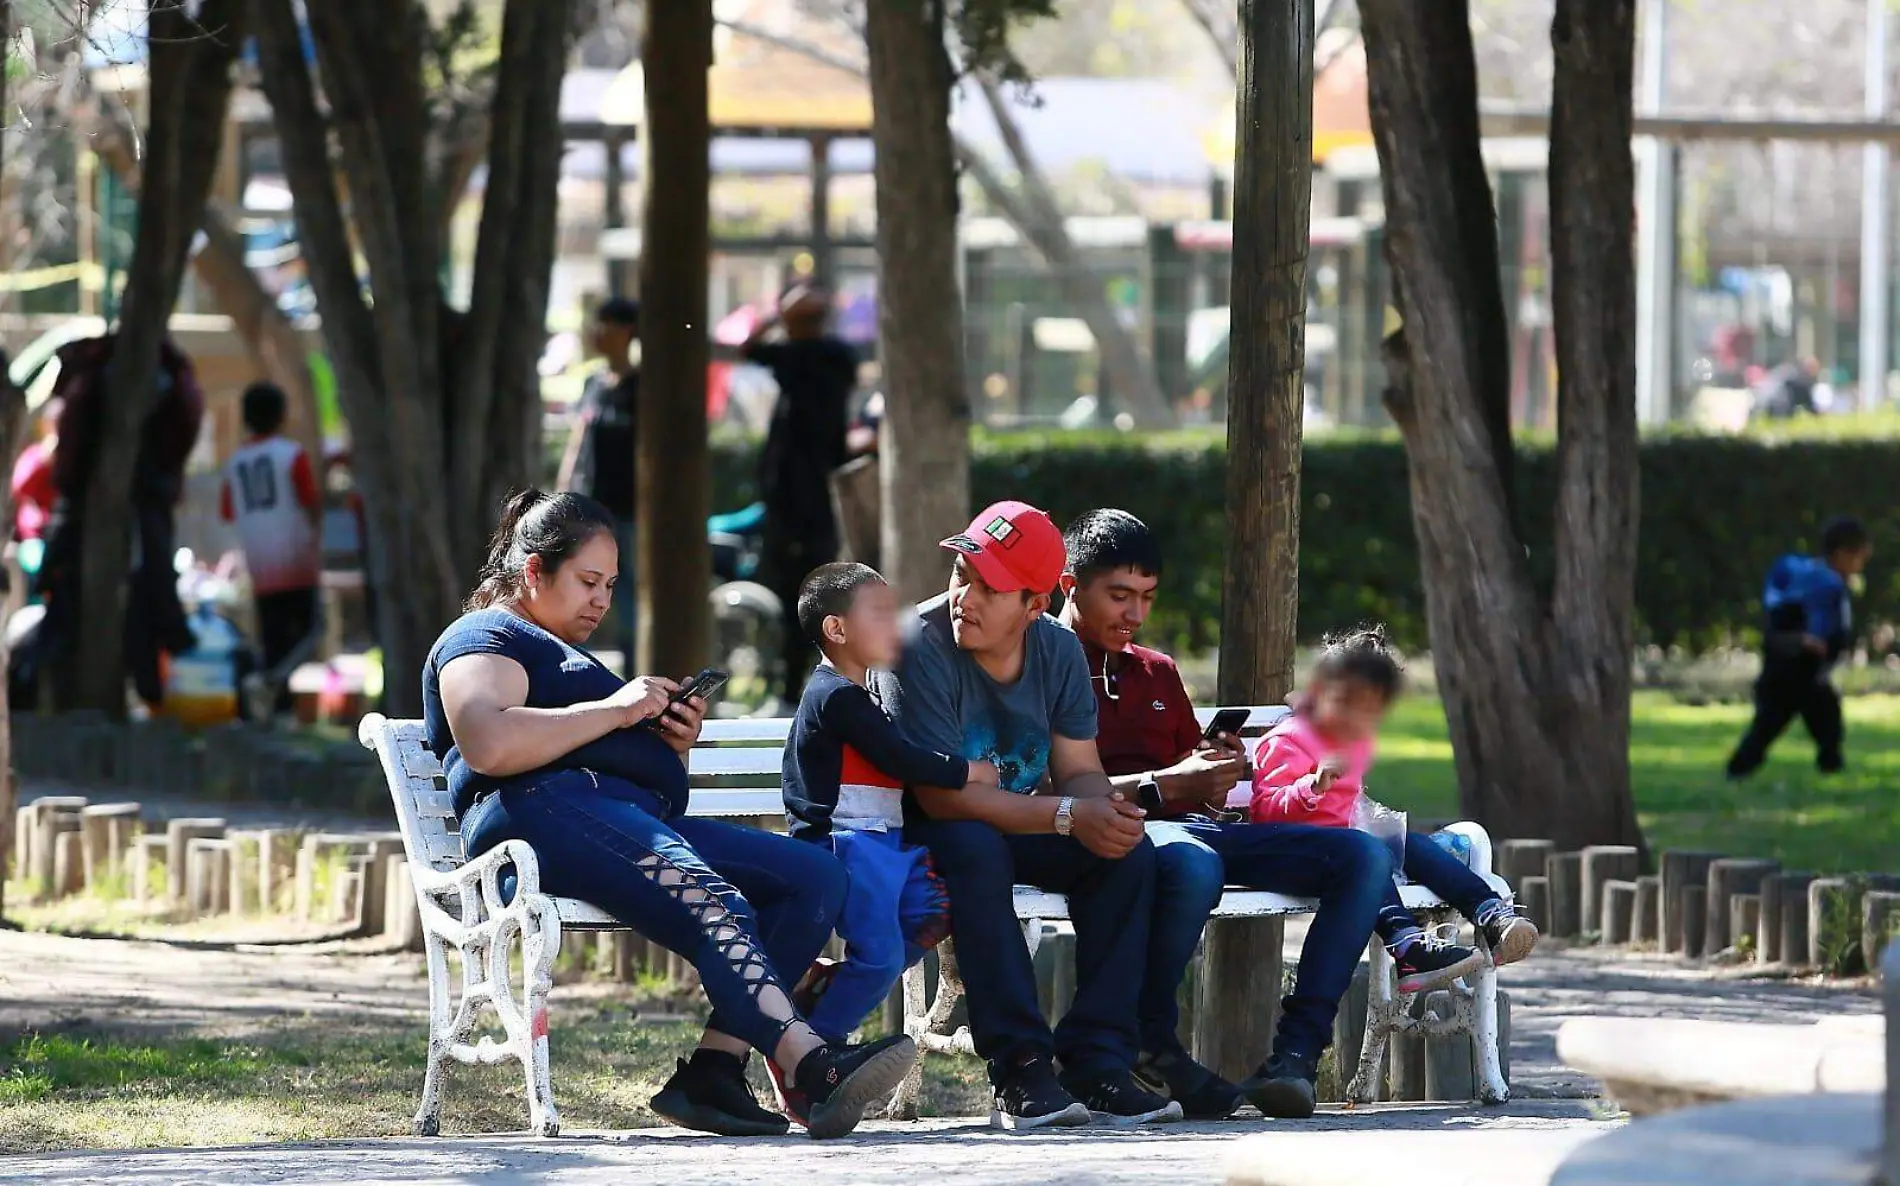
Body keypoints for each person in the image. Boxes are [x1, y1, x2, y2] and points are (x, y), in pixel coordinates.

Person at [425, 489, 916, 1140]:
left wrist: (668, 742)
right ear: (534, 572)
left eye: (610, 585)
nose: (601, 600)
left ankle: (712, 1073)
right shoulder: (486, 636)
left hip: (610, 817)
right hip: (541, 816)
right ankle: (811, 1065)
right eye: (588, 581)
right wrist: (619, 710)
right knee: (713, 898)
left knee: (813, 878)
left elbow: (633, 777)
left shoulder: (565, 652)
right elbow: (489, 742)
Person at [1056, 508, 1399, 1120]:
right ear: (1069, 584)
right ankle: (1150, 1040)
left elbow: (1197, 787)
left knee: (1363, 855)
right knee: (1192, 866)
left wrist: (1217, 773)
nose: (1135, 614)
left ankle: (1295, 1057)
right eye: (1119, 596)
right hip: (1111, 832)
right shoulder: (1046, 663)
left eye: (1147, 598)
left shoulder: (1156, 670)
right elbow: (1058, 784)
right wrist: (1168, 785)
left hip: (1200, 828)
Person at [879, 500, 1182, 1131]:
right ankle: (1020, 1068)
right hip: (923, 828)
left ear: (1034, 605)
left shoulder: (1059, 652)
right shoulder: (917, 643)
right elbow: (941, 798)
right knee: (974, 846)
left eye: (991, 587)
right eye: (963, 574)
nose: (966, 595)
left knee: (1128, 854)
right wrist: (1072, 815)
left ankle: (1098, 1062)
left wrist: (1105, 813)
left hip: (1020, 819)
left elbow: (1079, 770)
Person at [780, 563, 986, 1084]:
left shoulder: (862, 692)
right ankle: (812, 1053)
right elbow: (899, 757)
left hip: (889, 842)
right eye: (879, 613)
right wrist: (968, 772)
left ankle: (832, 987)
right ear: (837, 629)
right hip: (848, 844)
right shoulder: (835, 696)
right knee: (881, 955)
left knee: (932, 915)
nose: (896, 624)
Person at [1250, 627, 1538, 993]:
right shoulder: (1286, 739)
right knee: (1367, 857)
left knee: (1413, 846)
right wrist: (1312, 786)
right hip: (1303, 853)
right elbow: (1263, 813)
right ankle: (1407, 946)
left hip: (1350, 842)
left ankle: (1493, 916)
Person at [744, 284, 857, 702]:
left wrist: (777, 314)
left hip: (804, 502)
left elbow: (749, 347)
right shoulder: (834, 357)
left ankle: (796, 678)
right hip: (803, 502)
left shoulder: (806, 358)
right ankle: (796, 677)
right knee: (809, 589)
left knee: (803, 589)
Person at [1726, 516, 1874, 778]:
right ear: (1842, 554)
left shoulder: (1823, 582)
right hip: (1790, 671)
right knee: (1769, 726)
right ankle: (1738, 770)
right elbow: (1780, 628)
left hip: (1809, 673)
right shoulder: (1816, 582)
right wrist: (1802, 641)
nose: (1860, 566)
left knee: (1828, 723)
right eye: (1859, 558)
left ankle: (1831, 768)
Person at [221, 382, 323, 717]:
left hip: (259, 562)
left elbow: (228, 511)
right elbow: (310, 502)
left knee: (275, 637)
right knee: (310, 632)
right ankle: (269, 682)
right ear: (281, 415)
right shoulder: (291, 454)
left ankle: (279, 709)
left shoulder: (235, 463)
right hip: (296, 557)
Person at [558, 296, 641, 670]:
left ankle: (637, 667)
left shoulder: (642, 387)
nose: (597, 333)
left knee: (625, 593)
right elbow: (579, 439)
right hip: (590, 509)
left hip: (629, 509)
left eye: (606, 324)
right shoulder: (593, 383)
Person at [10, 398, 59, 545]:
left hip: (58, 526)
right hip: (33, 533)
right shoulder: (34, 455)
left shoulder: (69, 454)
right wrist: (44, 460)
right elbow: (19, 488)